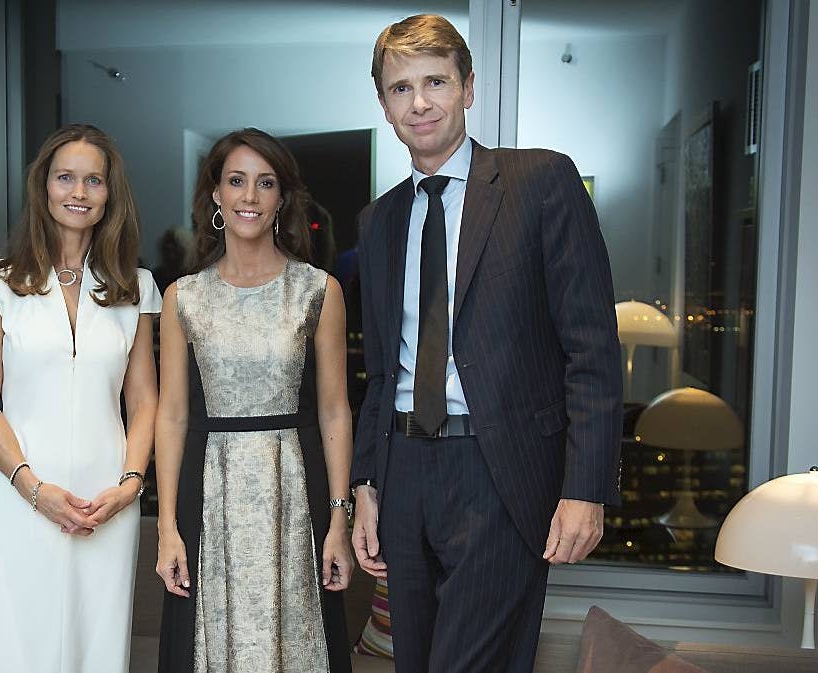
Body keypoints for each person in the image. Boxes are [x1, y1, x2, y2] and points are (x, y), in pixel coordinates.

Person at [349, 15, 623, 673]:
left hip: (499, 471)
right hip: (404, 472)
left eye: (436, 81)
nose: (419, 102)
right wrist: (364, 482)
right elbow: (382, 371)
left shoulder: (541, 184)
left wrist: (585, 488)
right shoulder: (379, 220)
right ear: (383, 103)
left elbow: (592, 348)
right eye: (400, 88)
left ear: (468, 87)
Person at [0, 123, 161, 673]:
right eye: (65, 177)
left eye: (93, 180)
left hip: (107, 504)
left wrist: (131, 485)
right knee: (17, 652)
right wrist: (33, 489)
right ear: (42, 187)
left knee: (98, 652)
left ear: (110, 193)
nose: (78, 191)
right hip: (21, 499)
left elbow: (145, 402)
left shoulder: (136, 288)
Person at [154, 128, 355, 673]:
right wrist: (167, 528)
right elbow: (171, 415)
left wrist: (339, 520)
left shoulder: (318, 291)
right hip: (208, 491)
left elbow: (335, 410)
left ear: (282, 198)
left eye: (265, 183)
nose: (249, 197)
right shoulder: (182, 298)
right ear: (215, 194)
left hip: (294, 489)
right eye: (236, 181)